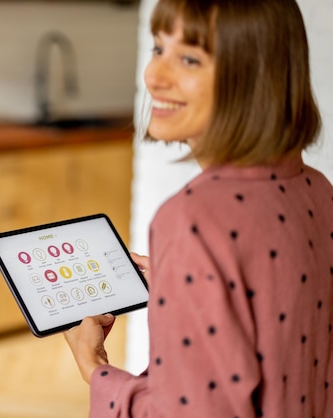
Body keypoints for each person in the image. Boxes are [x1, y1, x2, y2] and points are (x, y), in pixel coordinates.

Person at [64, 0, 333, 417]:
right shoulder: (317, 189)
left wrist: (95, 368)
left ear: (253, 76)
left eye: (189, 58)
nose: (154, 75)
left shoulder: (192, 220)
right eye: (158, 49)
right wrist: (190, 288)